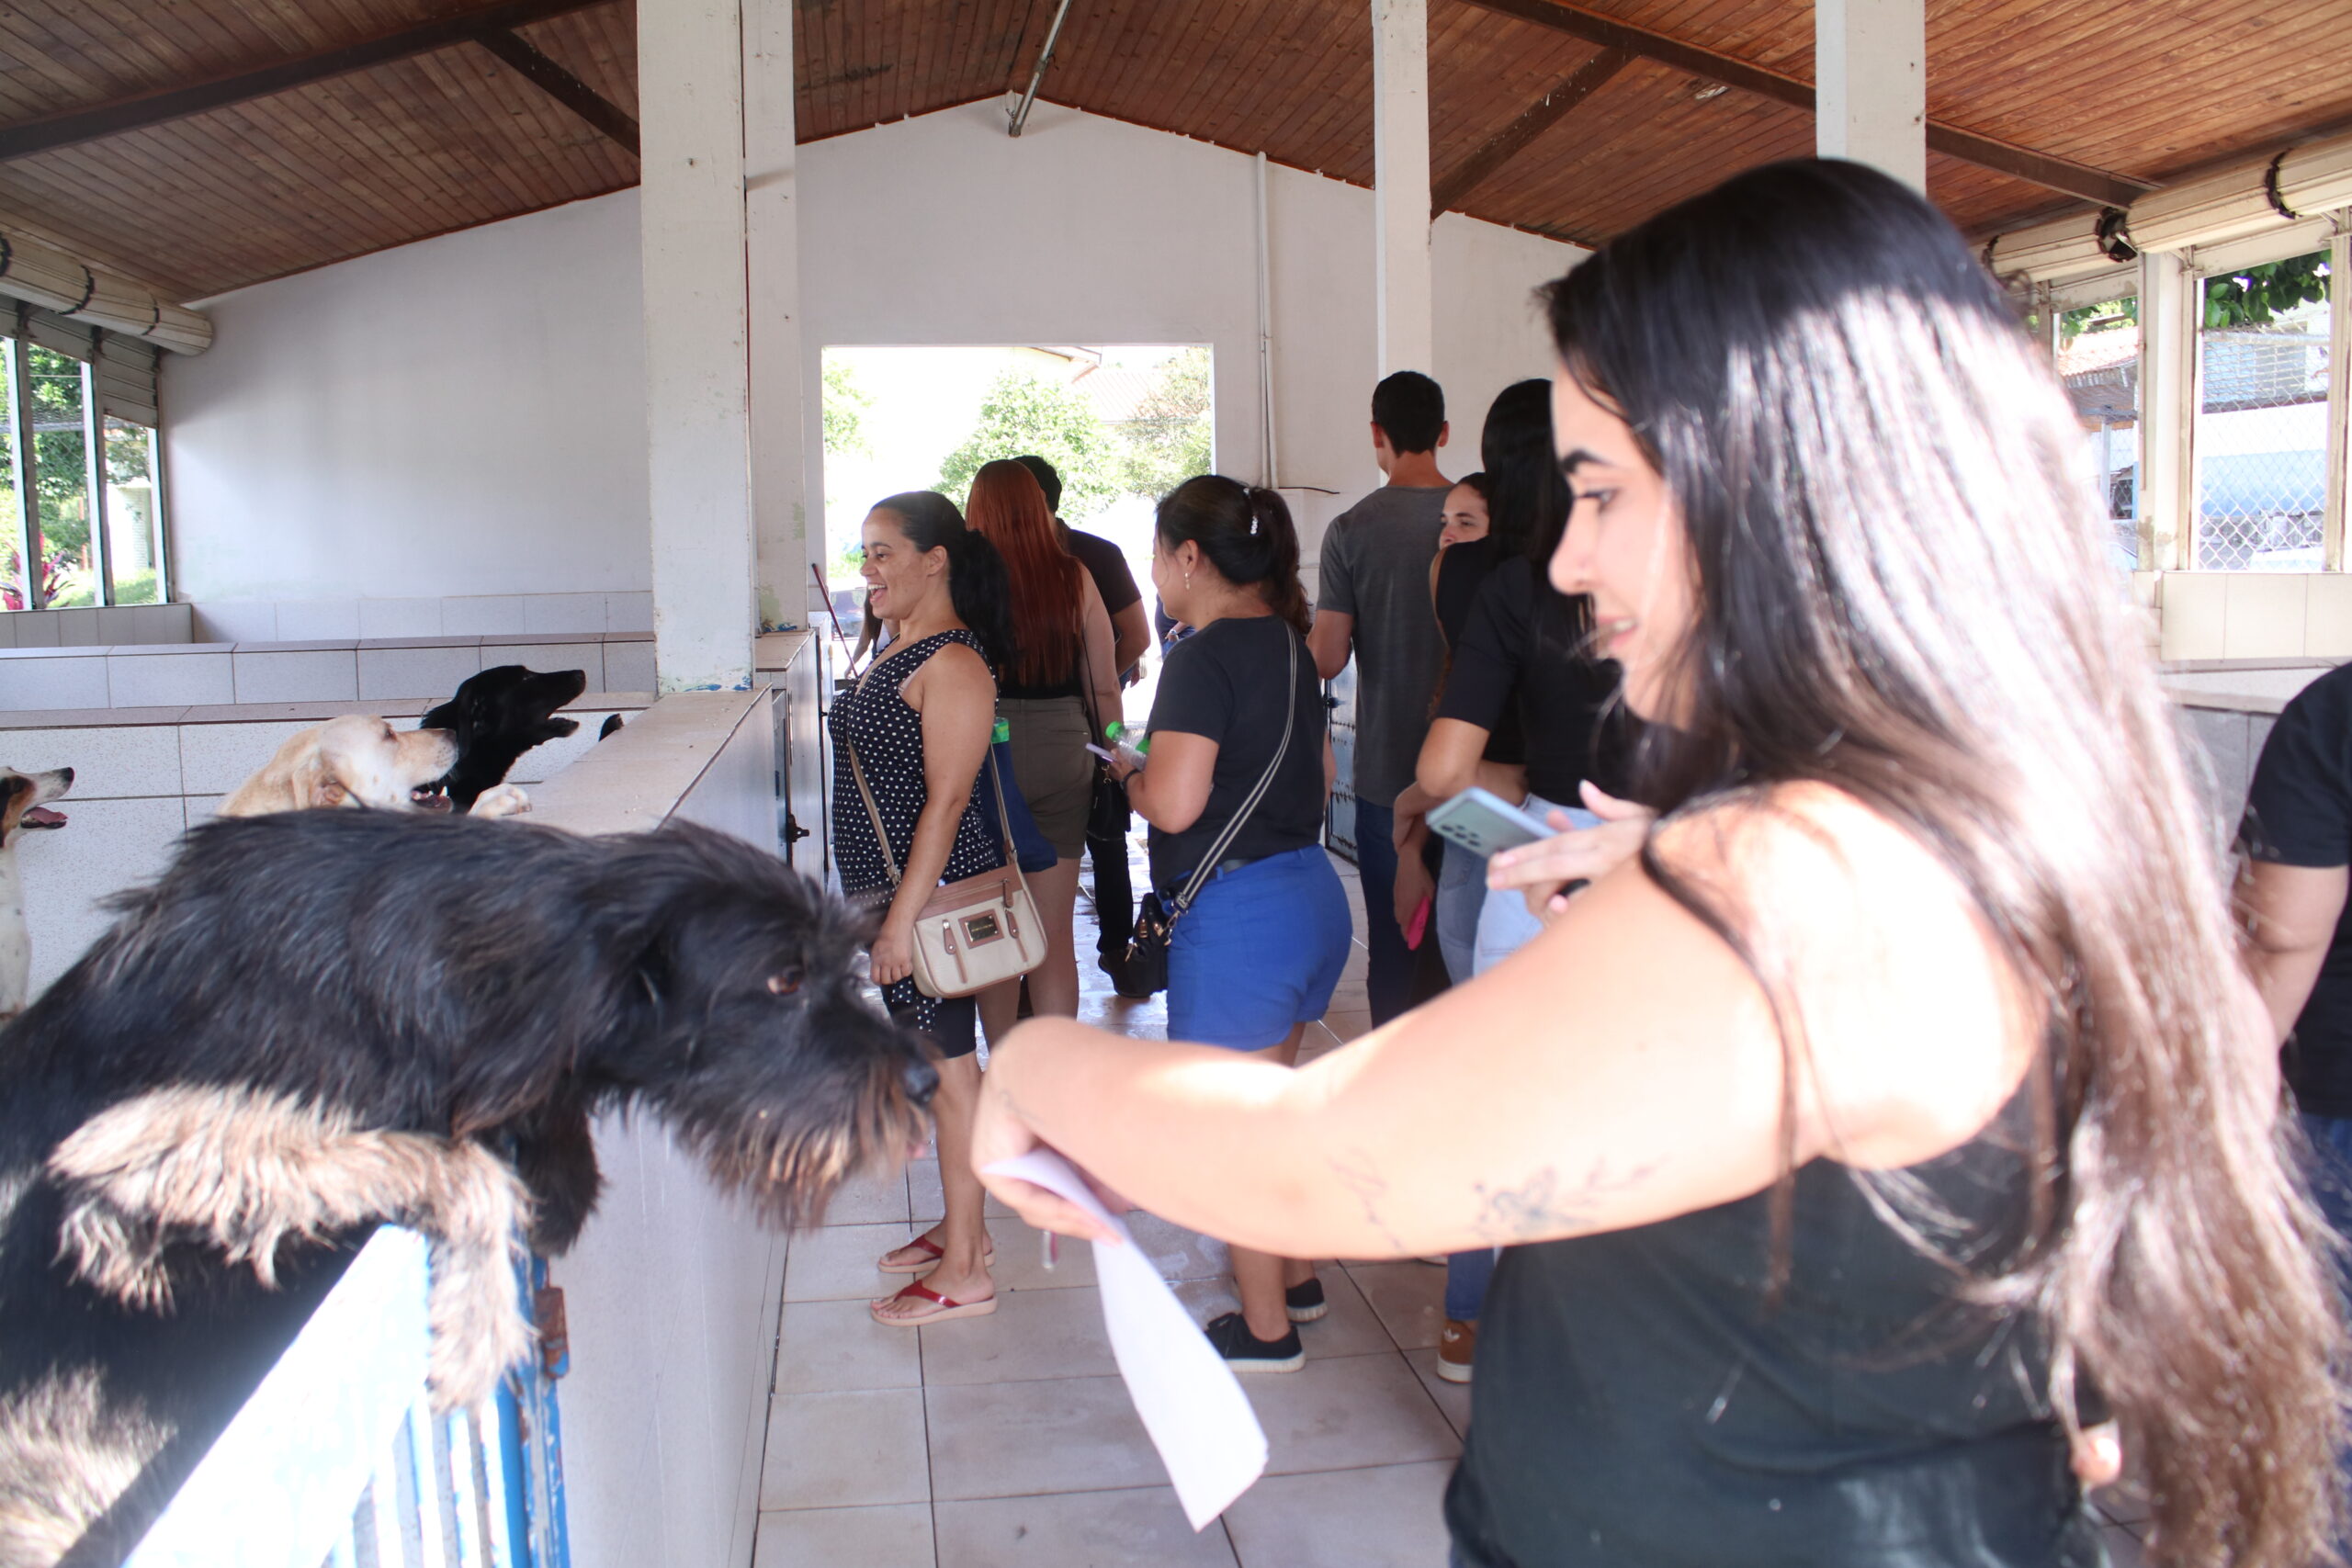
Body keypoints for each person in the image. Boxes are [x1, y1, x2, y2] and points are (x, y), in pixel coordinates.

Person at [974, 160, 2345, 1567]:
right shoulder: (1984, 811)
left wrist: (1033, 1065)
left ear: (1777, 487)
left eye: (1601, 493)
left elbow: (1315, 1161)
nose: (1568, 561)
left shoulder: (1793, 883)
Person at [1107, 474, 1348, 1371]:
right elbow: (1321, 777)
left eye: (1156, 553)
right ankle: (1296, 1274)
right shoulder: (1290, 644)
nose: (1154, 573)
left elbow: (1174, 804)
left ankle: (1268, 1330)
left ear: (1190, 556)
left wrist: (1129, 775)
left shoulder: (1200, 659)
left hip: (1242, 921)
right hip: (1308, 894)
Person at [828, 491, 1014, 1326]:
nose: (869, 569)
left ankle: (967, 1267)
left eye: (884, 553)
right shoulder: (900, 644)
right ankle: (960, 1228)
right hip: (898, 899)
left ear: (935, 560)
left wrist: (901, 922)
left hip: (930, 906)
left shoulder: (956, 662)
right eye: (864, 553)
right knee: (941, 1068)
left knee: (951, 1073)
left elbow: (947, 803)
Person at [1308, 369, 1453, 1026]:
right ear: (1443, 433)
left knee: (1395, 950)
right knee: (1462, 948)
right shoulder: (1477, 518)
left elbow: (1328, 657)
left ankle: (1394, 1078)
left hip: (1386, 780)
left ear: (1376, 434)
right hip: (1476, 774)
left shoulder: (1351, 529)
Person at [962, 460, 1122, 1040]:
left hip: (981, 747)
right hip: (1063, 747)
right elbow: (1103, 686)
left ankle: (1007, 1065)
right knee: (1053, 932)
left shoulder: (959, 580)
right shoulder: (1073, 576)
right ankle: (1054, 1069)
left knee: (998, 926)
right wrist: (1116, 755)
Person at [1014, 453, 1152, 988]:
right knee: (1079, 838)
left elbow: (1137, 637)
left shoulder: (1092, 555)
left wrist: (1096, 686)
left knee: (1105, 831)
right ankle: (1056, 966)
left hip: (1084, 716)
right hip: (1074, 718)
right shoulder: (998, 559)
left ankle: (1116, 951)